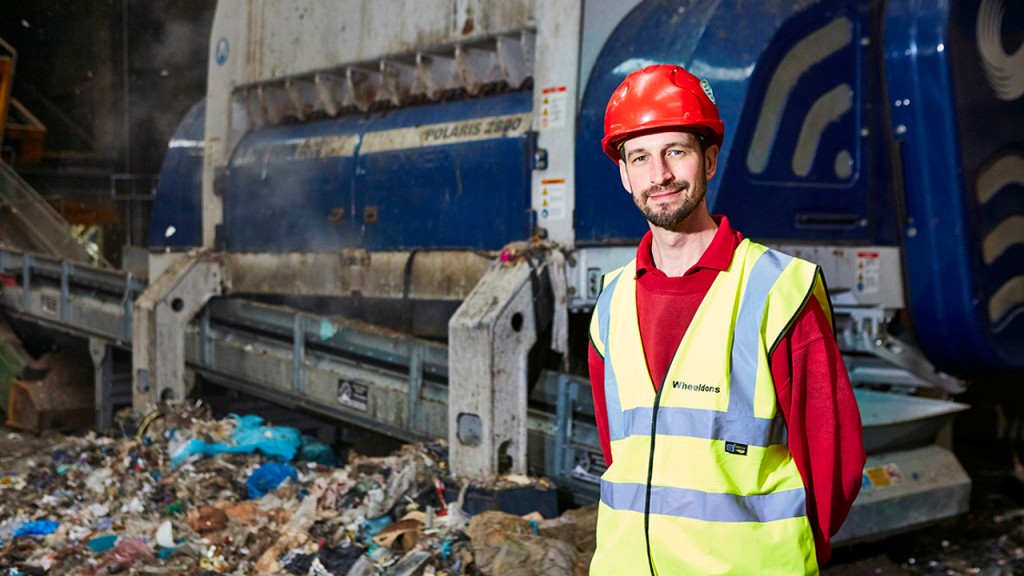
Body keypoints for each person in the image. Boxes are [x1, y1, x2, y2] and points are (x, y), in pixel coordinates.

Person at [587, 64, 865, 575]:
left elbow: (835, 461)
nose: (660, 175)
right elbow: (618, 451)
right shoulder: (611, 302)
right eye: (640, 157)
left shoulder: (778, 289)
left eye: (676, 151)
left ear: (709, 160)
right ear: (624, 173)